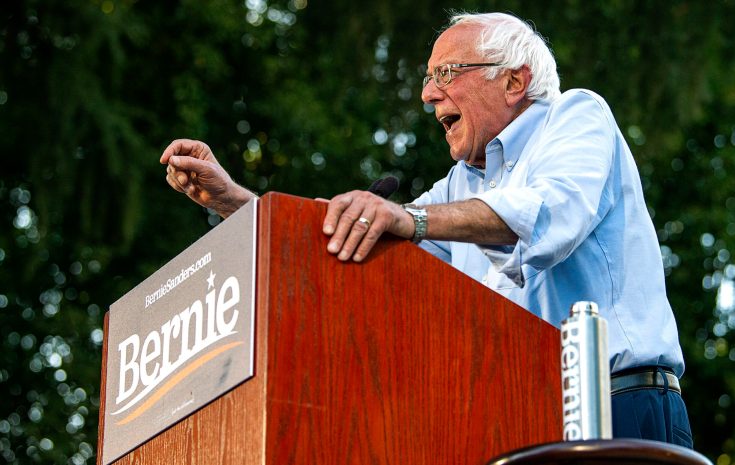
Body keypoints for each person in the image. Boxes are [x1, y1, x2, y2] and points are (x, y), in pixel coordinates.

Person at [160, 12, 693, 448]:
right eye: (428, 78)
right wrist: (234, 201)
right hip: (510, 426)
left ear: (514, 80)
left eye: (446, 73)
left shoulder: (575, 116)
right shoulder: (460, 184)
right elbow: (354, 235)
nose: (427, 95)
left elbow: (552, 212)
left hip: (616, 406)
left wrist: (409, 219)